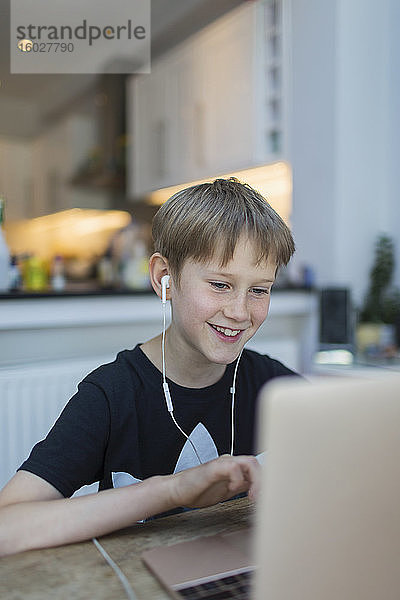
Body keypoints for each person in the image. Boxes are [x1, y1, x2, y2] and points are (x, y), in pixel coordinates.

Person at [0, 178, 296, 557]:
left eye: (259, 290)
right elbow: (7, 526)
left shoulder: (275, 385)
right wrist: (171, 490)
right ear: (164, 279)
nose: (240, 312)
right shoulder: (111, 395)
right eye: (220, 285)